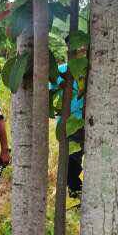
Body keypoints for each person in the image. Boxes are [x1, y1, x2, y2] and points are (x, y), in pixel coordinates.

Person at [52, 62, 85, 197]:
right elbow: (51, 91)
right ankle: (75, 187)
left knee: (75, 156)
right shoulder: (61, 70)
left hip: (88, 121)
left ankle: (75, 187)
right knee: (72, 157)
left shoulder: (89, 70)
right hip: (69, 121)